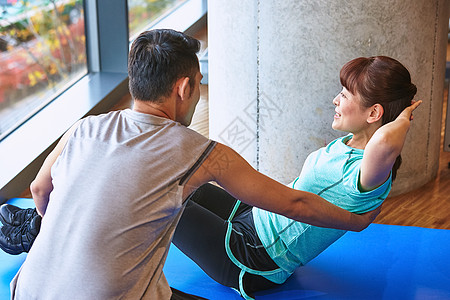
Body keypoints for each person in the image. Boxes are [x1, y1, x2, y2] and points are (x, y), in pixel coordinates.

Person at [0, 29, 379, 300]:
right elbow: (294, 204)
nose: (198, 93)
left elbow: (38, 189)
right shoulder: (201, 151)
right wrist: (357, 223)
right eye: (198, 83)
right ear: (184, 88)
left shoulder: (85, 127)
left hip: (27, 290)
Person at [171, 56, 420, 299]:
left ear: (374, 112)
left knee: (166, 203)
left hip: (254, 256)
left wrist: (403, 118)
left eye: (344, 95)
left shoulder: (365, 174)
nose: (335, 99)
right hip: (254, 216)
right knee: (185, 186)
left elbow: (385, 141)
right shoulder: (349, 143)